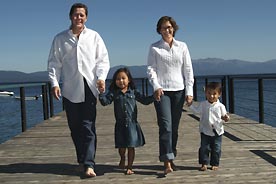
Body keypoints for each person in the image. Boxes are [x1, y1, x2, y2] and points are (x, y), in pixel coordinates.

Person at [47, 3, 110, 177]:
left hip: (90, 86)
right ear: (70, 17)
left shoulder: (94, 36)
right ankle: (82, 160)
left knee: (88, 126)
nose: (79, 18)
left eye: (82, 15)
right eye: (76, 15)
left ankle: (89, 163)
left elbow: (102, 60)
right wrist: (54, 83)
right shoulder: (60, 38)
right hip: (70, 89)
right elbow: (54, 63)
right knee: (75, 127)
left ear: (86, 17)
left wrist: (101, 78)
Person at [147, 16, 194, 174]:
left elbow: (188, 70)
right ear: (159, 30)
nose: (166, 30)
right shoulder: (154, 48)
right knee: (165, 127)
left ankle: (172, 156)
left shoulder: (183, 46)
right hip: (162, 92)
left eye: (169, 27)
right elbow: (151, 69)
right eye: (163, 28)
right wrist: (156, 86)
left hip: (179, 91)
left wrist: (189, 92)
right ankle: (166, 161)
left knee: (174, 128)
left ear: (173, 28)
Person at [98, 67, 155, 175]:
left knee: (131, 146)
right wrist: (101, 94)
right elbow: (105, 102)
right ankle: (122, 158)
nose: (121, 81)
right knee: (122, 147)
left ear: (129, 80)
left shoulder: (133, 91)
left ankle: (130, 166)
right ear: (115, 81)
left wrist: (154, 97)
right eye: (118, 79)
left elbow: (144, 100)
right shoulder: (114, 92)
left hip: (132, 124)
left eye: (123, 78)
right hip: (120, 124)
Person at [188, 82, 230, 171]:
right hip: (205, 130)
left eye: (214, 94)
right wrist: (190, 105)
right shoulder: (203, 104)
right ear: (205, 93)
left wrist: (226, 118)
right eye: (209, 93)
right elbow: (197, 111)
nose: (211, 96)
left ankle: (215, 163)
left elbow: (224, 117)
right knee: (204, 147)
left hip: (217, 131)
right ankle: (204, 163)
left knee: (216, 148)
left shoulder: (221, 106)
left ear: (219, 94)